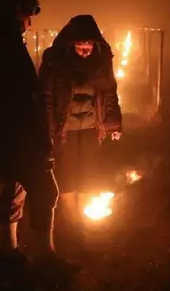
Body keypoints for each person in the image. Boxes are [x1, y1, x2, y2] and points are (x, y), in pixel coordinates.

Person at [0, 0, 62, 265]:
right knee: (45, 191)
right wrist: (39, 139)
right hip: (17, 136)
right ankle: (42, 254)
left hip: (1, 135)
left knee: (11, 190)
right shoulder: (3, 40)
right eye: (29, 14)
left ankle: (8, 252)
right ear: (19, 11)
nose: (31, 23)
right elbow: (19, 96)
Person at [39, 15, 122, 235]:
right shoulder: (55, 60)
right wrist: (48, 127)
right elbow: (46, 96)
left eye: (89, 45)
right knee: (65, 171)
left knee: (89, 170)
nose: (85, 50)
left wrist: (113, 124)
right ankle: (68, 219)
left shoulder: (102, 61)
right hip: (64, 128)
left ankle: (84, 218)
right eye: (80, 45)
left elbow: (110, 92)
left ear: (96, 44)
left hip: (91, 128)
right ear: (70, 43)